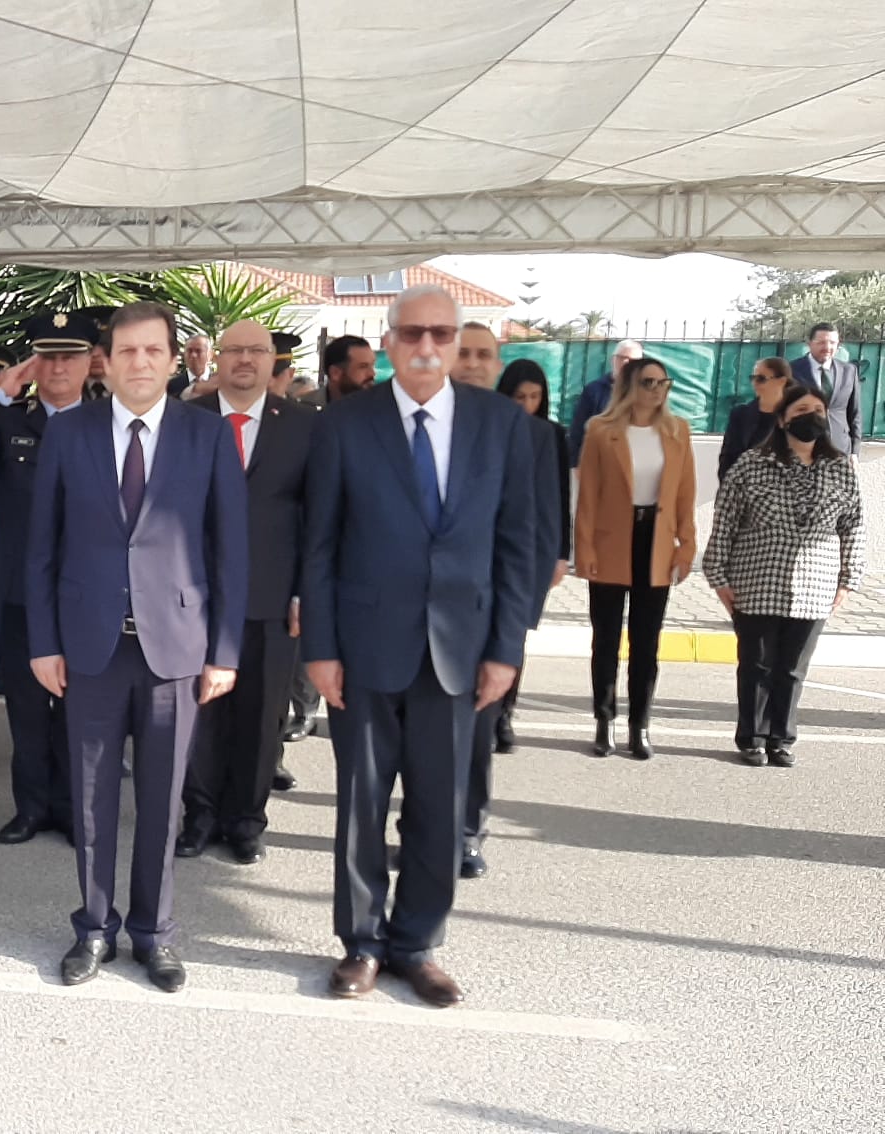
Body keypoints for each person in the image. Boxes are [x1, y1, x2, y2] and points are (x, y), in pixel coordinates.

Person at [304, 283, 535, 1008]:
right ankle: (362, 943)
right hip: (364, 644)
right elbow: (320, 544)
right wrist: (320, 647)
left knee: (439, 803)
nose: (427, 346)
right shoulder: (345, 424)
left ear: (458, 342)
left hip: (461, 647)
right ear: (389, 342)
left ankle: (418, 943)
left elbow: (518, 546)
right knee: (362, 803)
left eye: (441, 333)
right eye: (412, 334)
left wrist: (506, 648)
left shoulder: (502, 425)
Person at [27, 301, 247, 994]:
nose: (141, 363)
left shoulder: (206, 435)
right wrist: (42, 642)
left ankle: (154, 933)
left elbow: (230, 549)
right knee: (91, 800)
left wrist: (225, 650)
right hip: (89, 647)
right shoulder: (70, 433)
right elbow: (42, 546)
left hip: (175, 647)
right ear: (107, 362)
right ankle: (94, 927)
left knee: (162, 801)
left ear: (174, 359)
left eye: (154, 350)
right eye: (127, 351)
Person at [0, 310, 97, 846]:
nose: (58, 367)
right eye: (48, 357)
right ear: (33, 364)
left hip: (86, 591)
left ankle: (75, 808)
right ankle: (32, 807)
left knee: (81, 707)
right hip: (20, 591)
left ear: (90, 362)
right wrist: (0, 396)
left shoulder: (106, 422)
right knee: (27, 706)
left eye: (70, 357)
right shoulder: (10, 420)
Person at [176, 319, 312, 864]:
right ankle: (200, 814)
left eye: (257, 351)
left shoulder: (302, 426)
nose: (245, 360)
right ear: (218, 358)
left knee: (261, 716)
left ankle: (246, 820)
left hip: (272, 595)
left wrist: (305, 591)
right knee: (200, 714)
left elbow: (318, 516)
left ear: (272, 360)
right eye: (235, 350)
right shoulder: (186, 420)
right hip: (195, 593)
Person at [451, 333, 566, 882]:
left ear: (494, 363)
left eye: (482, 354)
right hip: (414, 614)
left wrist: (517, 619)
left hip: (487, 609)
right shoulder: (409, 423)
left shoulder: (530, 433)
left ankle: (467, 831)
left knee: (476, 733)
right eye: (462, 352)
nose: (471, 363)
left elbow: (537, 526)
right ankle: (422, 829)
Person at [705, 386, 866, 768]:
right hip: (757, 579)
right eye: (802, 409)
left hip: (816, 584)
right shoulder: (751, 464)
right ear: (782, 419)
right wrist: (718, 576)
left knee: (793, 669)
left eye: (818, 410)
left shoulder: (840, 467)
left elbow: (854, 525)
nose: (812, 416)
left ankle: (781, 738)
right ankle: (752, 738)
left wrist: (848, 578)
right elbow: (725, 521)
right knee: (757, 665)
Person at [574, 356, 696, 761]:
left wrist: (686, 544)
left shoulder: (677, 430)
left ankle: (639, 725)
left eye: (663, 382)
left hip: (655, 542)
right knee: (606, 639)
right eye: (648, 382)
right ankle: (604, 720)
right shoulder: (601, 430)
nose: (657, 390)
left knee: (646, 641)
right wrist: (584, 548)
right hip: (611, 542)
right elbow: (588, 496)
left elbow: (685, 494)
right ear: (629, 386)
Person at [487, 359, 571, 758]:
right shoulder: (489, 428)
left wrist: (561, 554)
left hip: (532, 549)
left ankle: (504, 714)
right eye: (519, 396)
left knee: (514, 632)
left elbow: (559, 496)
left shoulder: (550, 434)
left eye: (535, 397)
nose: (527, 404)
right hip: (485, 546)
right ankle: (482, 712)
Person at [787, 323, 866, 454]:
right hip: (802, 450)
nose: (827, 347)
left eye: (832, 343)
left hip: (840, 448)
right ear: (809, 343)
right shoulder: (791, 371)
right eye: (821, 342)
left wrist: (855, 451)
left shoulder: (849, 371)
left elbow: (855, 413)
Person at [568, 339, 643, 469]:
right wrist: (576, 465)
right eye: (621, 358)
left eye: (632, 360)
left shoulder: (646, 393)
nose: (626, 362)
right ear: (612, 360)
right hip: (599, 463)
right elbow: (578, 431)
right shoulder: (593, 391)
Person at [718, 358, 797, 480]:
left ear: (781, 381)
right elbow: (727, 458)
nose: (755, 383)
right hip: (742, 485)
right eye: (753, 378)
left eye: (761, 379)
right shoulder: (740, 414)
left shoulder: (794, 416)